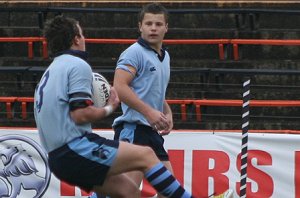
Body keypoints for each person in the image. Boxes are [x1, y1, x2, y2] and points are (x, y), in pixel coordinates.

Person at [34, 15, 194, 198]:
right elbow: (80, 114)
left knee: (129, 191)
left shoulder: (50, 72)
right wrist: (110, 107)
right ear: (76, 39)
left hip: (56, 158)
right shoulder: (78, 65)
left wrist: (165, 110)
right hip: (75, 148)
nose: (84, 39)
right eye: (82, 34)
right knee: (146, 156)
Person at [113, 3, 233, 198]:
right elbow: (120, 86)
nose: (153, 28)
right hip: (134, 130)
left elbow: (153, 92)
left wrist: (166, 112)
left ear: (166, 28)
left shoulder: (164, 56)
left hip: (150, 132)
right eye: (149, 23)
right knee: (124, 191)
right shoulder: (133, 53)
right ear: (140, 26)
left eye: (158, 24)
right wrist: (148, 112)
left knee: (167, 191)